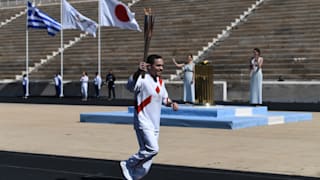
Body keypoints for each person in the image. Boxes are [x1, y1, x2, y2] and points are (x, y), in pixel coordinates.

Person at [120, 54, 179, 180]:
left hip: (155, 124)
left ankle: (133, 177)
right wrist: (138, 72)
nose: (161, 68)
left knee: (146, 164)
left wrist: (171, 103)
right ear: (149, 66)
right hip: (143, 121)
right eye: (158, 65)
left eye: (162, 65)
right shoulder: (142, 78)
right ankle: (128, 163)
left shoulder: (161, 82)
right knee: (153, 149)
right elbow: (130, 86)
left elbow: (164, 98)